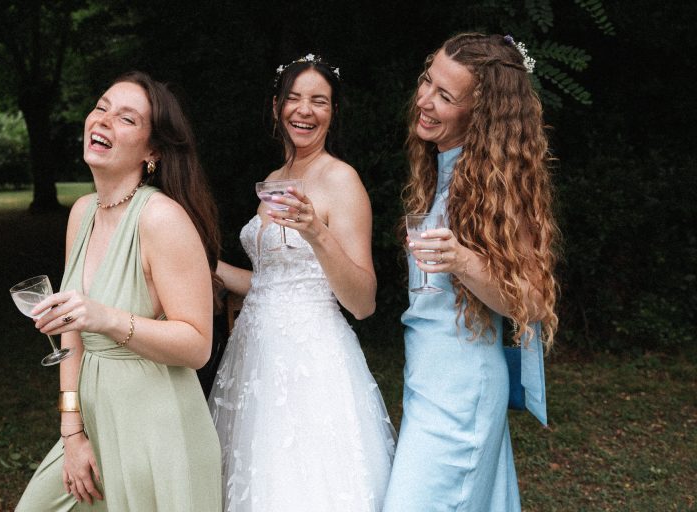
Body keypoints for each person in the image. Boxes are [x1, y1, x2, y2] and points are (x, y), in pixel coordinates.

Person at [16, 71, 222, 511]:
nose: (104, 120)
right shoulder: (82, 212)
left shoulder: (161, 219)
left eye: (127, 118)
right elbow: (71, 331)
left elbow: (198, 345)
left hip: (157, 430)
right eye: (101, 107)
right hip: (93, 422)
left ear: (152, 152)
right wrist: (72, 432)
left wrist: (106, 318)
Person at [207, 54, 396, 511]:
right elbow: (270, 283)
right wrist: (207, 265)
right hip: (252, 359)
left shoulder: (341, 180)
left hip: (311, 363)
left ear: (333, 111)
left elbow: (363, 302)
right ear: (276, 107)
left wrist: (316, 232)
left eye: (319, 101)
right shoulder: (273, 180)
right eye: (293, 98)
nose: (304, 110)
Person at [382, 33, 559, 511]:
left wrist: (461, 259)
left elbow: (532, 300)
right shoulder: (441, 171)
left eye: (445, 95)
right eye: (427, 81)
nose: (425, 100)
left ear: (479, 114)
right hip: (427, 381)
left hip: (462, 390)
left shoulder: (498, 185)